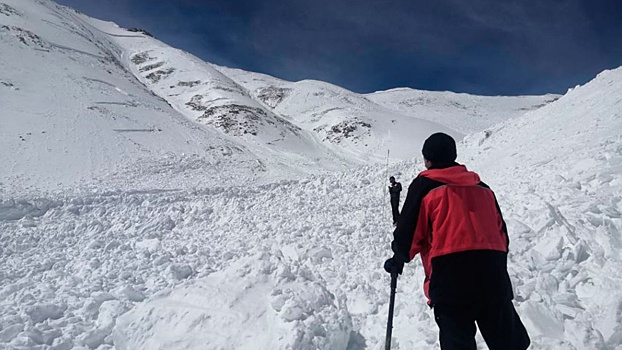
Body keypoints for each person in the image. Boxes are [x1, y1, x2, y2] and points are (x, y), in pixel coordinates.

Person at [384, 132, 530, 350]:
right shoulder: (483, 188)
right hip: (493, 277)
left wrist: (399, 257)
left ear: (427, 160)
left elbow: (408, 233)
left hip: (451, 281)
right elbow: (502, 236)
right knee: (508, 345)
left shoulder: (425, 186)